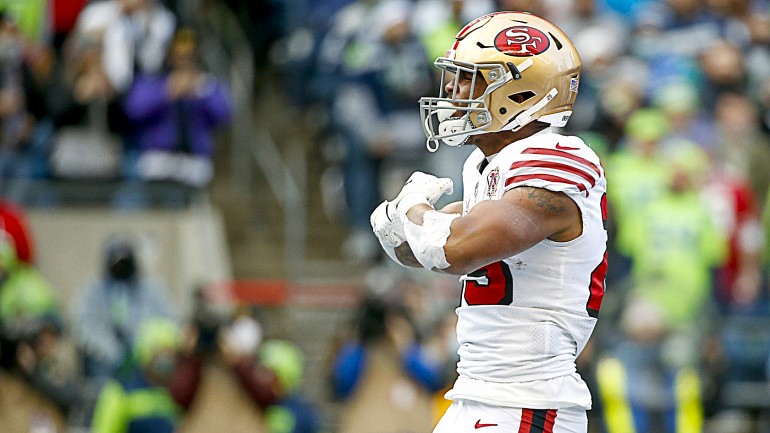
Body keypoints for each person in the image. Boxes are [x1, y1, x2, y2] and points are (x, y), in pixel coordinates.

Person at [370, 11, 608, 433]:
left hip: (529, 399)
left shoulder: (557, 159)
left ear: (519, 92)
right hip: (479, 393)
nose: (452, 90)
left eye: (469, 78)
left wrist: (408, 207)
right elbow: (412, 249)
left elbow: (450, 249)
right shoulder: (486, 166)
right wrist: (402, 222)